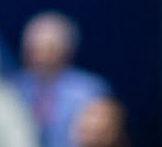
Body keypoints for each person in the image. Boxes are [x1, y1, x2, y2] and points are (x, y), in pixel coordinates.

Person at [10, 11, 111, 147]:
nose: (39, 56)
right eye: (33, 48)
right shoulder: (13, 88)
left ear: (65, 50)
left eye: (48, 48)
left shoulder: (89, 91)